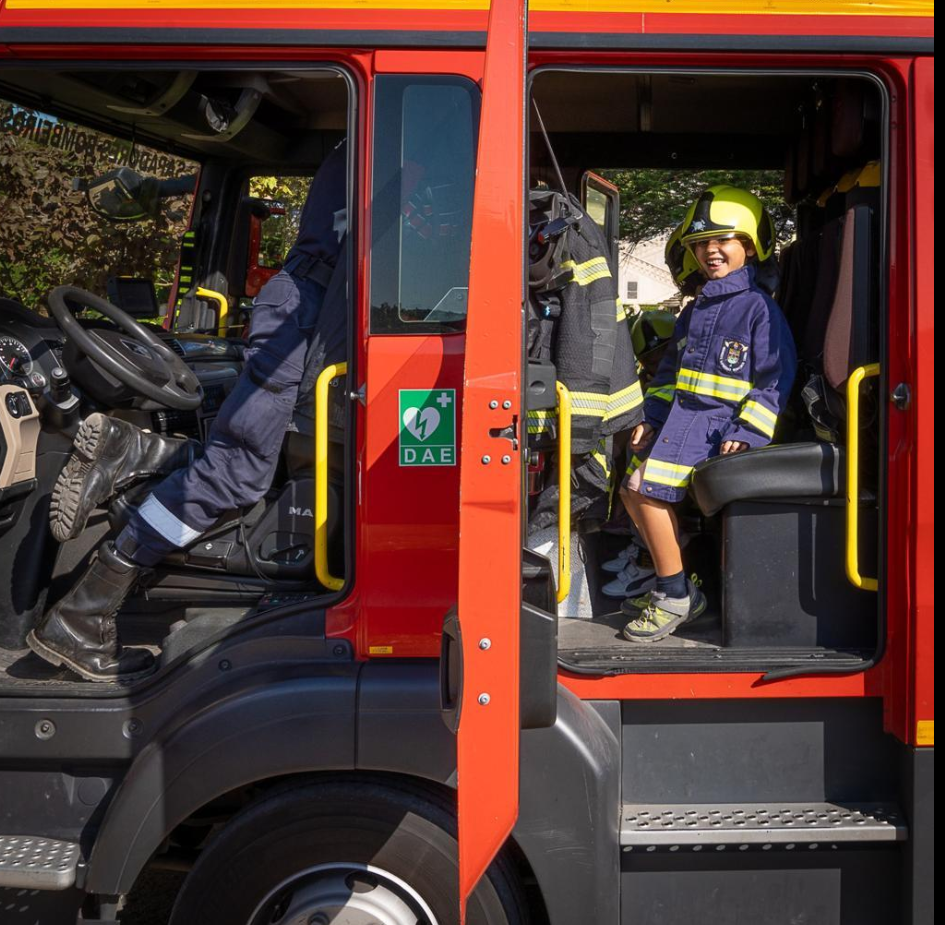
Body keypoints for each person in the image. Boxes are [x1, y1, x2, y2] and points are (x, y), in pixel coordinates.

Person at [29, 140, 348, 682]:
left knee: (243, 466)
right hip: (303, 315)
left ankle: (134, 448)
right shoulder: (396, 138)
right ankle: (81, 616)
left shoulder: (364, 143)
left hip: (304, 308)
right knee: (237, 475)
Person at [617, 186, 797, 642]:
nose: (710, 251)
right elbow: (670, 375)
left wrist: (748, 430)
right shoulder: (696, 309)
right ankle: (677, 576)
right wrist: (651, 419)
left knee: (643, 490)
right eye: (700, 244)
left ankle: (675, 594)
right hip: (681, 423)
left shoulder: (758, 309)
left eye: (723, 241)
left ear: (751, 246)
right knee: (630, 490)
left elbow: (774, 379)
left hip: (716, 428)